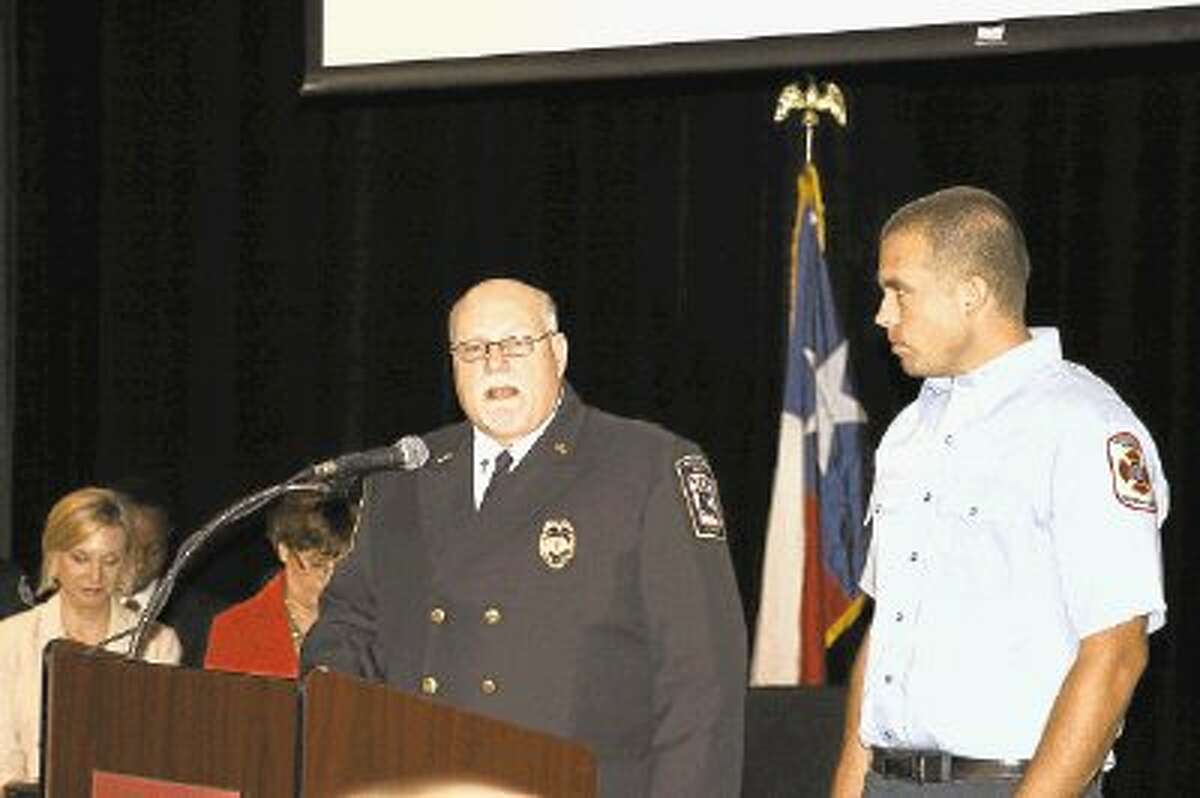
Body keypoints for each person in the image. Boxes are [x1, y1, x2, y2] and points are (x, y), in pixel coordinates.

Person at [303, 277, 747, 797]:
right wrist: (333, 695)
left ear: (557, 353)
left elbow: (701, 686)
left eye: (515, 344)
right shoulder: (405, 474)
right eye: (472, 349)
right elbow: (351, 621)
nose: (494, 363)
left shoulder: (645, 466)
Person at [831, 187, 1168, 797]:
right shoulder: (911, 431)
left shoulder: (1084, 426)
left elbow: (1116, 655)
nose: (882, 315)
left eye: (898, 290)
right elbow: (886, 633)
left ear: (971, 293)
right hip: (890, 781)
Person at [0, 487, 181, 787]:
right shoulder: (10, 640)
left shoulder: (157, 643)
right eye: (81, 558)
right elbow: (4, 763)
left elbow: (157, 760)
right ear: (55, 558)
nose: (95, 576)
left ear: (125, 563)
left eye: (109, 561)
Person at [205, 490, 354, 678]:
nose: (331, 577)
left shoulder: (371, 624)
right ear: (284, 550)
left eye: (343, 565)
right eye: (318, 565)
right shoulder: (235, 630)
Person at [116, 481, 226, 668]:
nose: (140, 561)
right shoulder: (82, 600)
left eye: (153, 550)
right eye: (130, 547)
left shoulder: (206, 620)